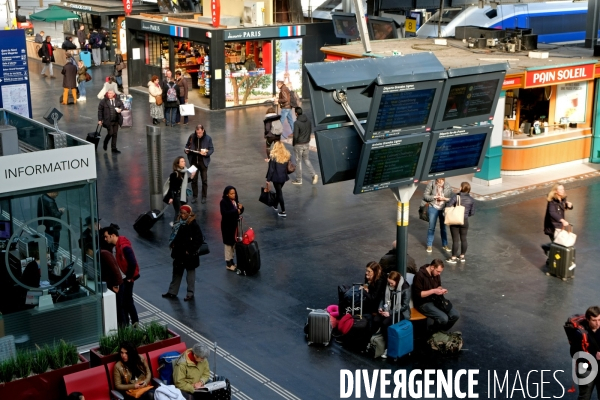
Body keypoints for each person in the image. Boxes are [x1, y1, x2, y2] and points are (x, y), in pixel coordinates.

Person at [162, 205, 203, 301]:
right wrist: (173, 244)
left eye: (185, 213)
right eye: (181, 213)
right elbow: (175, 235)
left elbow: (199, 239)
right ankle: (172, 292)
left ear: (189, 214)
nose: (183, 215)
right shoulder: (178, 223)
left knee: (190, 275)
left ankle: (190, 293)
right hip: (179, 253)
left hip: (189, 254)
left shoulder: (193, 225)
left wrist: (190, 249)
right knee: (176, 273)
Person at [103, 226, 140, 327]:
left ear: (113, 235)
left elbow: (132, 263)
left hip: (126, 279)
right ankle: (132, 322)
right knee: (126, 300)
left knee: (127, 300)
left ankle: (134, 322)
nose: (105, 239)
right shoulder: (116, 247)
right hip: (123, 278)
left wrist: (128, 277)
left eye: (106, 236)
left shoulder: (123, 247)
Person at [412, 259, 460, 333]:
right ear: (432, 267)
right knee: (443, 318)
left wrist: (440, 290)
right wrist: (434, 291)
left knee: (455, 315)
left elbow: (439, 285)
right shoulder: (419, 275)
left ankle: (440, 331)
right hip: (423, 303)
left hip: (436, 299)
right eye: (438, 271)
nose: (439, 274)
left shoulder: (436, 274)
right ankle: (432, 332)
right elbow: (419, 294)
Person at [378, 270, 411, 359]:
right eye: (389, 283)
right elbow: (383, 297)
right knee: (377, 319)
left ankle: (388, 347)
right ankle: (380, 343)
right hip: (388, 308)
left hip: (401, 312)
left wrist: (390, 313)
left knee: (386, 323)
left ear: (397, 281)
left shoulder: (405, 288)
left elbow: (404, 306)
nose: (390, 285)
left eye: (392, 283)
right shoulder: (388, 284)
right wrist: (381, 307)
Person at [569, 306, 600, 400]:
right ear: (587, 319)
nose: (598, 323)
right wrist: (594, 356)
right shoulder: (579, 334)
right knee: (584, 397)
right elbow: (574, 353)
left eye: (599, 319)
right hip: (586, 370)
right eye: (594, 320)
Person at [422, 178, 453, 253]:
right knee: (431, 227)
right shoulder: (431, 184)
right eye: (439, 181)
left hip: (443, 208)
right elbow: (425, 195)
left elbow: (451, 199)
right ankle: (429, 245)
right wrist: (434, 197)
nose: (440, 183)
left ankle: (445, 244)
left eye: (442, 181)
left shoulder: (447, 185)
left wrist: (444, 198)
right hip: (433, 207)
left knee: (443, 227)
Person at [446, 182, 475, 264]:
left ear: (462, 188)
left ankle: (453, 258)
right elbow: (472, 213)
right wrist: (465, 215)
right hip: (465, 221)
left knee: (455, 240)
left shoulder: (456, 197)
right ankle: (462, 256)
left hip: (455, 220)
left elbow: (448, 206)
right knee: (464, 239)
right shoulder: (471, 199)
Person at [184, 125, 214, 204]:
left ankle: (204, 196)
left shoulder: (208, 138)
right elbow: (187, 146)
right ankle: (195, 196)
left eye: (200, 133)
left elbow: (211, 149)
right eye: (197, 133)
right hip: (194, 162)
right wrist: (186, 150)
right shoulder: (192, 137)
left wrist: (206, 154)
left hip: (203, 162)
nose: (198, 135)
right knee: (194, 180)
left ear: (203, 130)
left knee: (204, 180)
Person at [291, 107, 318, 185]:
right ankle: (313, 174)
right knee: (306, 160)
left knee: (298, 161)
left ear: (296, 113)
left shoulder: (297, 123)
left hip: (299, 144)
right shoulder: (308, 121)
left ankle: (299, 180)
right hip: (306, 143)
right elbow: (309, 131)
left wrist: (294, 144)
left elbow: (295, 136)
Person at [164, 156, 196, 221]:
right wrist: (171, 197)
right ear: (177, 164)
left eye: (184, 161)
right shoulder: (174, 174)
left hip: (183, 195)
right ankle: (176, 226)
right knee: (178, 212)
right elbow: (172, 187)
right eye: (182, 161)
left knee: (184, 211)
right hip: (177, 196)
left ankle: (181, 226)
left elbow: (184, 182)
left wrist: (191, 177)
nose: (184, 162)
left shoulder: (184, 172)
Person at [220, 186, 244, 271]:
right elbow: (224, 213)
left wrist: (241, 208)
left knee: (233, 243)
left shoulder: (235, 201)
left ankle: (232, 261)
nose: (233, 195)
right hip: (227, 226)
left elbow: (238, 211)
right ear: (227, 194)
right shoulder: (223, 202)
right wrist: (236, 211)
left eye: (234, 193)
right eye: (231, 193)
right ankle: (228, 264)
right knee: (228, 245)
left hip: (234, 226)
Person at [37, 192, 64, 264]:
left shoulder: (41, 198)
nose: (57, 195)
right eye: (56, 193)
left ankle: (51, 260)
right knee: (54, 245)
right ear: (51, 192)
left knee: (49, 244)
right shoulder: (50, 201)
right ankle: (54, 262)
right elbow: (56, 215)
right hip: (53, 227)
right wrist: (61, 211)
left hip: (46, 226)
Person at [265, 141, 290, 217]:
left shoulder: (273, 157)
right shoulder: (286, 155)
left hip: (276, 177)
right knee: (279, 191)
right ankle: (275, 205)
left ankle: (283, 211)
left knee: (279, 193)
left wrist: (268, 179)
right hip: (283, 177)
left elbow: (271, 169)